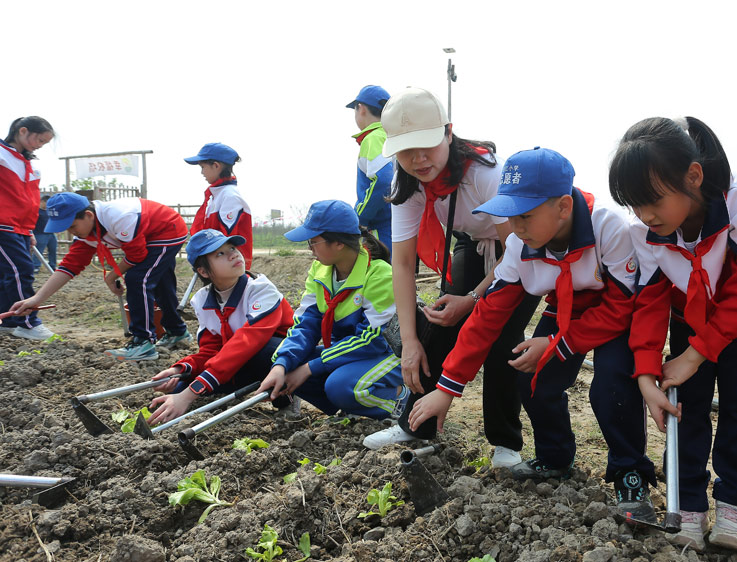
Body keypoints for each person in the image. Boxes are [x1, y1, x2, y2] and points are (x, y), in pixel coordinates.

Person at [408, 147, 656, 517]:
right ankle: (554, 457)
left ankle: (630, 474)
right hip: (565, 309)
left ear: (563, 207)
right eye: (510, 216)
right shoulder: (517, 248)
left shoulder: (608, 228)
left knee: (611, 387)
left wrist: (558, 344)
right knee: (533, 379)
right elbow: (486, 317)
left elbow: (622, 307)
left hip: (613, 311)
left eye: (525, 215)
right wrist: (447, 388)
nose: (517, 227)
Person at [608, 117, 737, 553]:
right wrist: (645, 373)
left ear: (693, 176)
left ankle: (735, 508)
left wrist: (694, 355)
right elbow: (651, 302)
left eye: (652, 200)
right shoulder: (645, 231)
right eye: (634, 204)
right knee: (685, 406)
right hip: (691, 312)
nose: (644, 215)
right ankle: (687, 506)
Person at [361, 88, 541, 470]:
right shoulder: (406, 183)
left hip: (519, 251)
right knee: (435, 325)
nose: (419, 159)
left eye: (426, 145)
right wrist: (409, 342)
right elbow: (404, 264)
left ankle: (506, 445)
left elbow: (516, 252)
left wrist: (473, 300)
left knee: (501, 340)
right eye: (407, 150)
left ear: (448, 133)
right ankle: (415, 425)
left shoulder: (485, 174)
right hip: (473, 243)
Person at [257, 200, 408, 420]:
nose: (309, 249)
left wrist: (311, 367)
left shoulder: (380, 275)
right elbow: (306, 324)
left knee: (340, 385)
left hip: (389, 356)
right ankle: (350, 405)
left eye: (313, 241)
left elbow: (374, 340)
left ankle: (403, 401)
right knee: (284, 361)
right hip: (349, 355)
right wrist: (282, 364)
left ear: (338, 243)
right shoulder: (320, 270)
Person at [10, 192, 191, 360]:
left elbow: (137, 256)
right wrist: (37, 299)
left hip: (167, 230)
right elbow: (69, 266)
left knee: (138, 279)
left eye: (72, 226)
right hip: (150, 235)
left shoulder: (119, 217)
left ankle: (143, 342)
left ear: (88, 215)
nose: (72, 232)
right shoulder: (86, 233)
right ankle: (177, 331)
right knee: (159, 281)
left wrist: (111, 276)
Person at [147, 229, 294, 425]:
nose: (234, 254)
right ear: (203, 271)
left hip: (274, 365)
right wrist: (181, 369)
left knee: (268, 351)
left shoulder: (261, 290)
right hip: (234, 366)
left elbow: (247, 343)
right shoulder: (202, 300)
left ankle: (287, 400)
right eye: (220, 254)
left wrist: (191, 394)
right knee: (178, 388)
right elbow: (211, 349)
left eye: (232, 248)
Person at [0, 116, 55, 340]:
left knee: (7, 273)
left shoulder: (27, 163)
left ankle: (9, 320)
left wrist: (29, 230)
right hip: (3, 225)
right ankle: (28, 322)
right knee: (21, 270)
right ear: (23, 131)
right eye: (39, 139)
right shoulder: (2, 156)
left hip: (20, 227)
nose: (40, 145)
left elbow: (28, 202)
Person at [185, 143, 253, 269]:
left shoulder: (230, 196)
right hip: (216, 265)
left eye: (203, 167)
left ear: (216, 166)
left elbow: (224, 240)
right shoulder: (216, 195)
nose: (201, 172)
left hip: (229, 269)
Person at [346, 85, 394, 255]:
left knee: (383, 276)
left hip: (382, 226)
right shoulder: (391, 136)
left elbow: (383, 182)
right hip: (401, 223)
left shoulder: (373, 138)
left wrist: (360, 217)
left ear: (361, 108)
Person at [32, 194, 58, 272]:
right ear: (42, 202)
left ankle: (52, 265)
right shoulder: (36, 211)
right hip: (40, 234)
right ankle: (36, 266)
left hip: (51, 234)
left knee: (53, 250)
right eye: (47, 203)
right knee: (39, 251)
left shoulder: (50, 211)